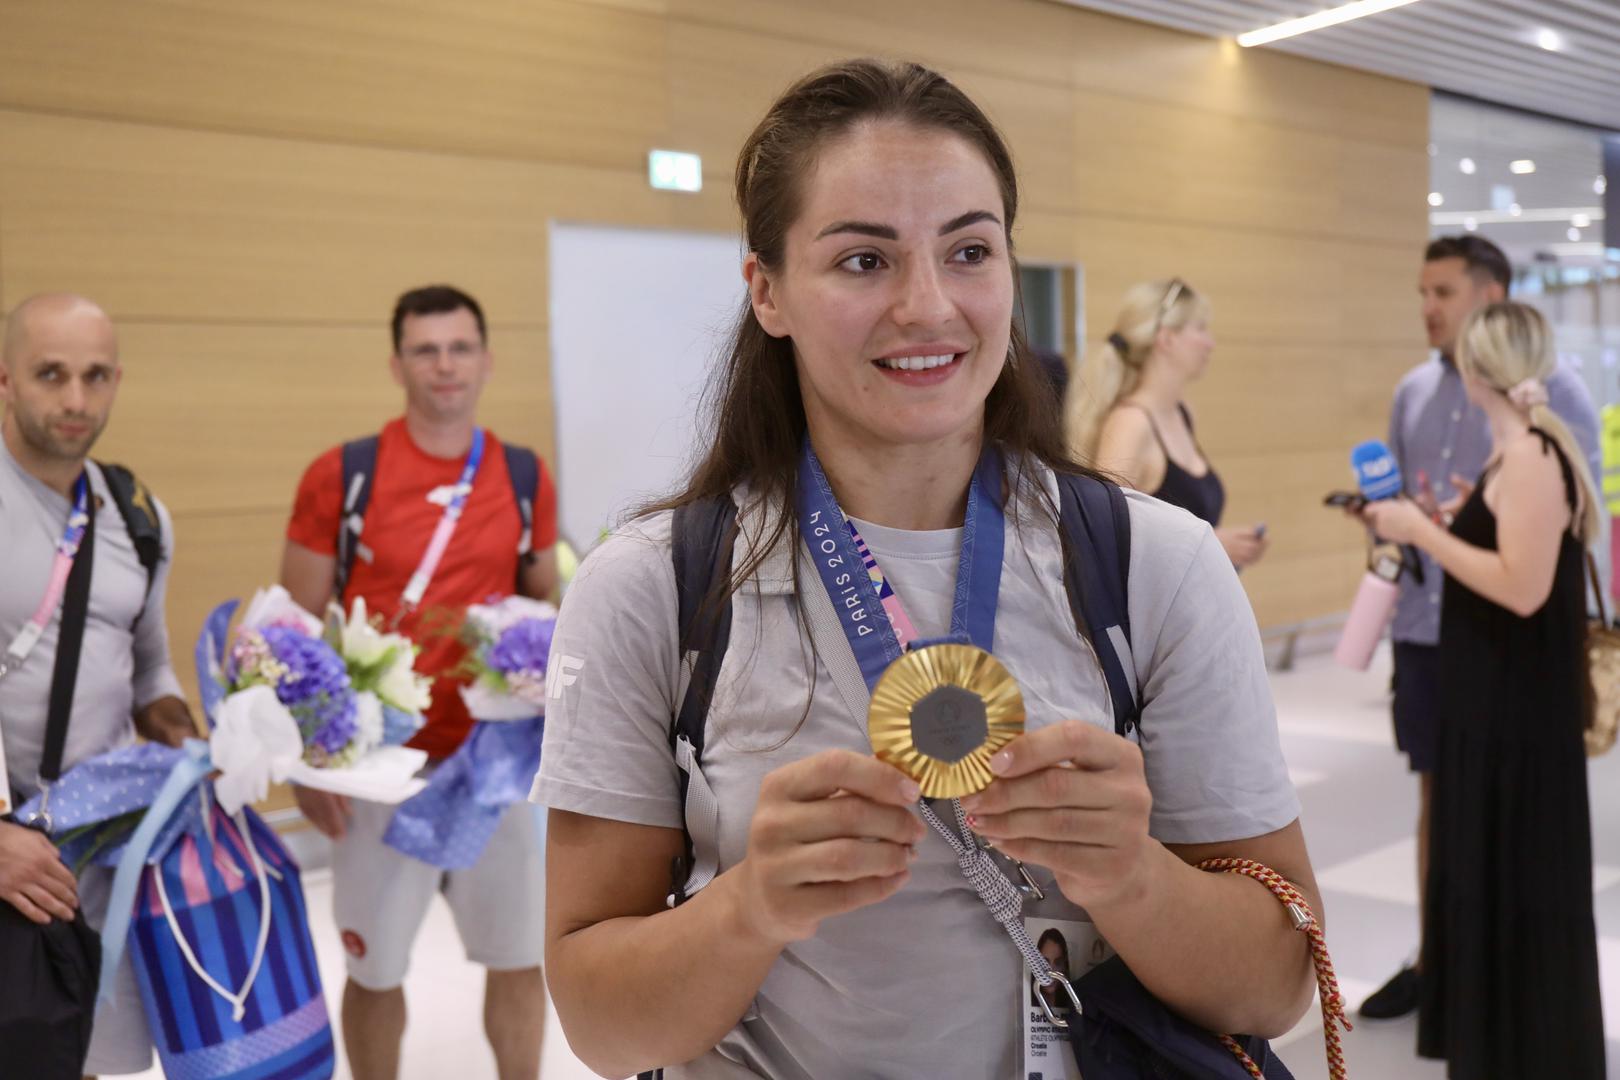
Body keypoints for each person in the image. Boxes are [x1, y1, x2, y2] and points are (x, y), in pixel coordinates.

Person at [534, 59, 1320, 1079]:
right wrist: (749, 904)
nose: (929, 306)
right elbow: (604, 1030)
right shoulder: (654, 588)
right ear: (767, 291)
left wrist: (1130, 874)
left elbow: (1277, 988)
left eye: (969, 251)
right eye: (864, 261)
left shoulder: (1153, 564)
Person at [278, 285, 560, 1080]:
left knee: (518, 959)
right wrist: (306, 769)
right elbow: (291, 629)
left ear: (486, 360)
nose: (445, 365)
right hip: (379, 770)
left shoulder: (523, 474)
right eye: (427, 349)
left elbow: (544, 602)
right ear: (397, 363)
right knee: (376, 970)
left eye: (460, 347)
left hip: (494, 768)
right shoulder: (344, 477)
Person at [1356, 235, 1600, 1021]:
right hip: (1430, 629)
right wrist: (1414, 523)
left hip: (1511, 650)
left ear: (1490, 298)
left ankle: (1496, 976)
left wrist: (1444, 533)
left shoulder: (1557, 400)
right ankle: (1444, 960)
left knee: (1507, 810)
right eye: (1421, 292)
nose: (1427, 308)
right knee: (1443, 797)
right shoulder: (1413, 392)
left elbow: (1561, 534)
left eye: (1444, 293)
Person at [0, 293, 194, 1076]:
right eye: (51, 374)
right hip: (7, 854)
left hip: (103, 854)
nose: (75, 400)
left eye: (95, 376)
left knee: (90, 1056)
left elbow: (148, 668)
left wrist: (201, 751)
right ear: (5, 378)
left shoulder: (140, 517)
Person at [1065, 279, 1267, 569]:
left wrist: (1223, 549)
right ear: (1166, 338)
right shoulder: (1130, 423)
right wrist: (1209, 544)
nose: (1210, 342)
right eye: (1200, 329)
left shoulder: (1182, 414)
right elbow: (1101, 537)